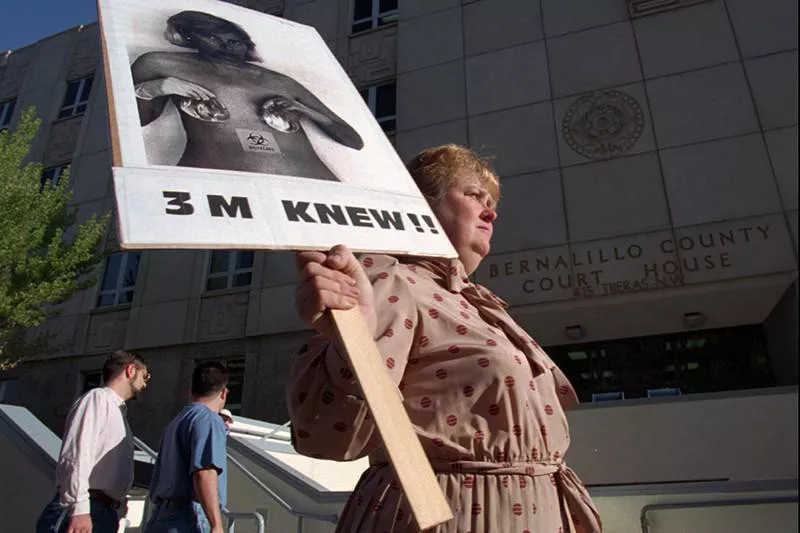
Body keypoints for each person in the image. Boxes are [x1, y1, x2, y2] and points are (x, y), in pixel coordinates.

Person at [288, 144, 603, 532]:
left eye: (492, 201)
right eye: (473, 195)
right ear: (422, 204)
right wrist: (356, 338)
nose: (491, 211)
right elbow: (326, 439)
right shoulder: (392, 280)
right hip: (454, 515)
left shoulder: (480, 304)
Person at [131, 10, 364, 180]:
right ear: (186, 37)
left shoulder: (280, 81)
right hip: (219, 187)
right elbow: (133, 124)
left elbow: (353, 140)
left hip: (312, 186)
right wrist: (155, 88)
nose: (226, 46)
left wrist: (305, 111)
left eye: (234, 41)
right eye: (212, 38)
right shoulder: (161, 63)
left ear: (246, 43)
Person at [36, 350, 151, 533]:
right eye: (145, 375)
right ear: (130, 370)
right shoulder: (98, 399)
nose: (145, 383)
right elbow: (76, 454)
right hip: (87, 507)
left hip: (103, 511)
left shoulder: (119, 413)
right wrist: (79, 509)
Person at [144, 361, 230, 533]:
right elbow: (204, 472)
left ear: (192, 390)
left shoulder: (177, 421)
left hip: (162, 514)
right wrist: (216, 524)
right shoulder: (209, 420)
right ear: (223, 393)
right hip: (190, 515)